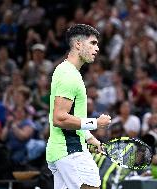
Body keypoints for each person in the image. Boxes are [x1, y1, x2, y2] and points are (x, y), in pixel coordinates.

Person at [46, 24, 111, 189]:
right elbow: (59, 118)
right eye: (93, 43)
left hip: (63, 151)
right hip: (70, 151)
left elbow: (73, 115)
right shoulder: (68, 75)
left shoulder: (69, 72)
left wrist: (90, 138)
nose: (97, 49)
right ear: (78, 44)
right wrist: (95, 123)